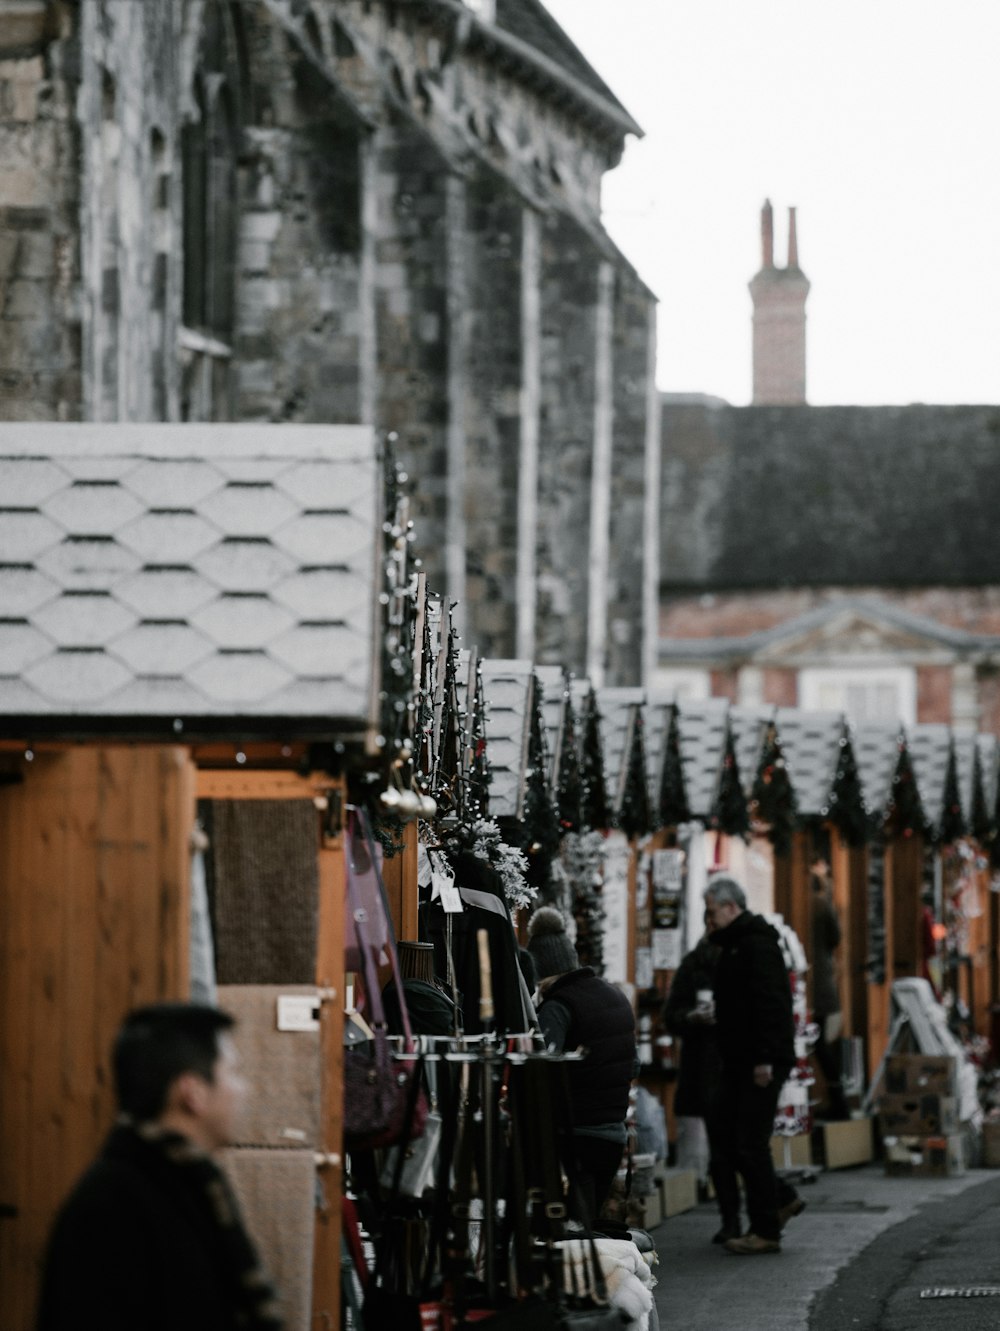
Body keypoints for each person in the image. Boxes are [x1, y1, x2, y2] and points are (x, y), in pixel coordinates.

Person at [37, 1002, 283, 1331]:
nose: (243, 1089)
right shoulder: (114, 1203)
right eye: (233, 1073)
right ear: (192, 1092)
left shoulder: (188, 1182)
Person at [703, 875, 801, 1256]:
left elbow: (770, 1003)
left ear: (731, 907)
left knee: (749, 1143)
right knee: (733, 1138)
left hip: (758, 1061)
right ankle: (781, 1199)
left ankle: (766, 1228)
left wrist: (764, 1058)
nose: (708, 919)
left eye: (712, 911)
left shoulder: (755, 945)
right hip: (742, 1059)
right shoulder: (736, 944)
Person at [527, 905, 637, 1225]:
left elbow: (542, 1068)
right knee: (595, 1228)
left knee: (575, 1232)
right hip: (614, 1135)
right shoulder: (615, 996)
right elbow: (634, 1065)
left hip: (575, 1136)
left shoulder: (557, 1007)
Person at [662, 915, 734, 1242]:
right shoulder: (692, 965)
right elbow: (671, 1017)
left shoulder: (738, 960)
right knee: (719, 1145)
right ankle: (728, 1215)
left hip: (732, 1062)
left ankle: (743, 1212)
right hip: (704, 1065)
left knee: (735, 1145)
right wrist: (692, 1016)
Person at [810, 854, 849, 1120]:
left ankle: (834, 1101)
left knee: (817, 1044)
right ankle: (838, 1100)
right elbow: (836, 937)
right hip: (822, 982)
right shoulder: (822, 904)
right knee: (821, 1044)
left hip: (811, 984)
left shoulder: (803, 904)